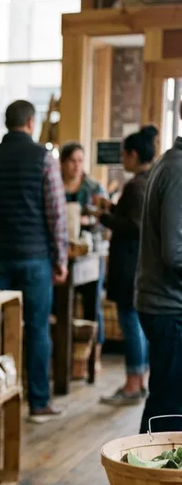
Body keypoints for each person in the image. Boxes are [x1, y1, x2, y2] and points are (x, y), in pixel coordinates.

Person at [0, 99, 68, 424]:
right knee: (37, 328)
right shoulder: (43, 157)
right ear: (31, 123)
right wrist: (60, 256)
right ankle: (39, 403)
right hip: (36, 258)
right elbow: (55, 212)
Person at [98, 126, 156, 406]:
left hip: (129, 264)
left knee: (130, 323)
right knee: (135, 324)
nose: (122, 159)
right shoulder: (149, 180)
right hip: (139, 264)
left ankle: (133, 384)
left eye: (124, 154)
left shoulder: (136, 185)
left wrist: (103, 216)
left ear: (133, 154)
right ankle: (139, 380)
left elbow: (133, 226)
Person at [135, 113, 182, 434]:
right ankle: (145, 482)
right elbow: (175, 252)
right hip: (168, 308)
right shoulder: (178, 170)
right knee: (168, 406)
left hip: (166, 304)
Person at [61, 141, 108, 361]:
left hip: (89, 252)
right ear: (62, 163)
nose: (76, 166)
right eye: (72, 161)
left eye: (80, 161)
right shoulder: (54, 186)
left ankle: (93, 356)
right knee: (60, 304)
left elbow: (104, 220)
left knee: (92, 304)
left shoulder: (93, 188)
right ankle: (65, 355)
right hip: (63, 252)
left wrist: (86, 219)